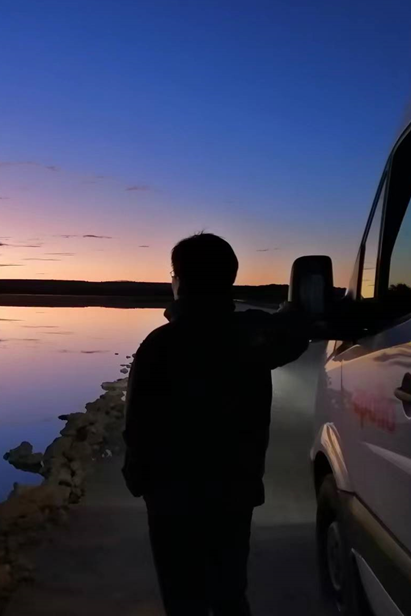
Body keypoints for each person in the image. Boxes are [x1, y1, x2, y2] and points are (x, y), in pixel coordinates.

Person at [122, 232, 309, 616]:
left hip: (171, 498)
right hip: (232, 492)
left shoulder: (160, 345)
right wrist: (284, 312)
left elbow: (138, 423)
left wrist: (138, 477)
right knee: (228, 592)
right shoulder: (249, 339)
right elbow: (294, 337)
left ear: (180, 281)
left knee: (182, 598)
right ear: (230, 279)